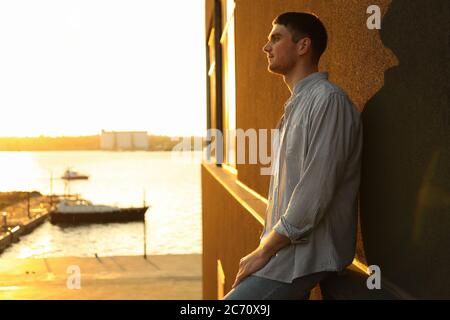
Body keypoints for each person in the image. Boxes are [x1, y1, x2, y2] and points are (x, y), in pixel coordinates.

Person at [223, 12, 363, 300]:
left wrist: (263, 252)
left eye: (276, 38)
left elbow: (314, 193)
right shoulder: (297, 106)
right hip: (283, 256)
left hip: (302, 259)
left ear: (303, 46)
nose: (266, 47)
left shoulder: (328, 100)